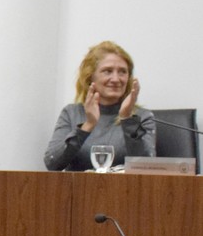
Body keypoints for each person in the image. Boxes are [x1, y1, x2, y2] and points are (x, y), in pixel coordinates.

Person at [43, 40, 156, 171]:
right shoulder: (71, 113)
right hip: (78, 190)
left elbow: (147, 168)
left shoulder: (142, 117)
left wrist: (127, 119)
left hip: (125, 190)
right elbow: (52, 163)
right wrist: (87, 126)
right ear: (91, 77)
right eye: (107, 71)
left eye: (122, 72)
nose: (116, 79)